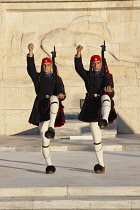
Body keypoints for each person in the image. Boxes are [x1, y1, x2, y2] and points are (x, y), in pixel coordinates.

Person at [75, 45, 117, 173]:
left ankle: (104, 120)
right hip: (92, 105)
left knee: (105, 97)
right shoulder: (88, 76)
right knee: (96, 137)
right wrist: (78, 53)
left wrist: (110, 90)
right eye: (93, 63)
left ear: (101, 64)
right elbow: (78, 68)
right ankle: (101, 164)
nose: (95, 65)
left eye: (98, 63)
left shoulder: (107, 76)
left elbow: (111, 90)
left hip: (103, 104)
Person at [27, 43, 66, 174]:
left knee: (54, 99)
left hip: (52, 106)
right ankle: (49, 165)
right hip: (41, 106)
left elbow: (61, 91)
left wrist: (61, 94)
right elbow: (31, 69)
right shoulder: (38, 77)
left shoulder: (57, 78)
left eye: (48, 65)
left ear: (51, 66)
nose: (45, 67)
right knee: (44, 139)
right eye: (44, 65)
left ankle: (52, 127)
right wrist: (31, 53)